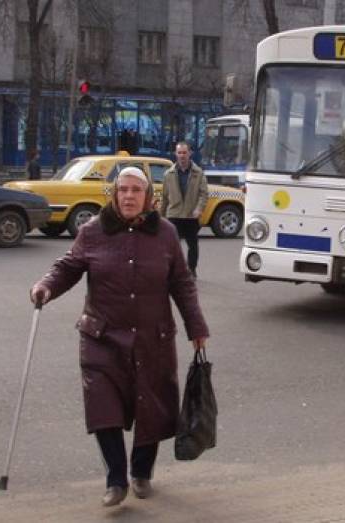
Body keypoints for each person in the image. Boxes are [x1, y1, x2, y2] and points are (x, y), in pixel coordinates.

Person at [29, 167, 208, 508]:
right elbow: (68, 266)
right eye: (122, 190)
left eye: (135, 191)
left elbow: (182, 284)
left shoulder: (166, 234)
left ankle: (141, 472)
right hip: (101, 336)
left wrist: (196, 328)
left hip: (152, 338)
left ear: (148, 198)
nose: (128, 196)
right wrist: (46, 286)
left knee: (150, 406)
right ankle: (115, 478)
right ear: (113, 194)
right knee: (103, 407)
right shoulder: (92, 231)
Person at [160, 141, 209, 278]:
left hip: (190, 216)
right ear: (176, 154)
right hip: (173, 215)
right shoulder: (168, 174)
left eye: (184, 152)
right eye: (179, 152)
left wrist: (199, 209)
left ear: (190, 154)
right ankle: (172, 271)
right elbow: (164, 197)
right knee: (171, 246)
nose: (182, 155)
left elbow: (204, 194)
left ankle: (191, 270)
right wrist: (160, 216)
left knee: (192, 245)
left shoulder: (198, 173)